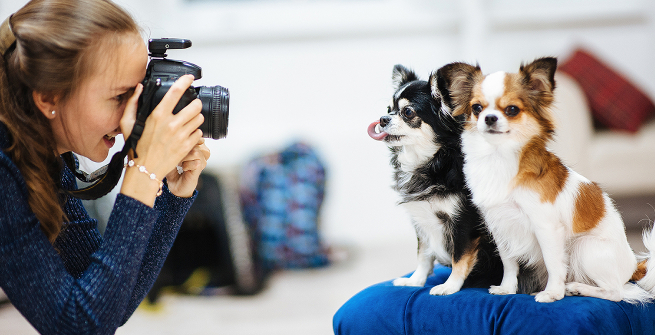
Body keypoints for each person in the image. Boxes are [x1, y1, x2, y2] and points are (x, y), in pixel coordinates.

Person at [0, 0, 211, 333]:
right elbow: (80, 326)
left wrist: (171, 196)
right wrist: (142, 175)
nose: (134, 116)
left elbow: (108, 303)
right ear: (49, 98)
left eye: (139, 94)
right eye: (119, 97)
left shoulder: (42, 157)